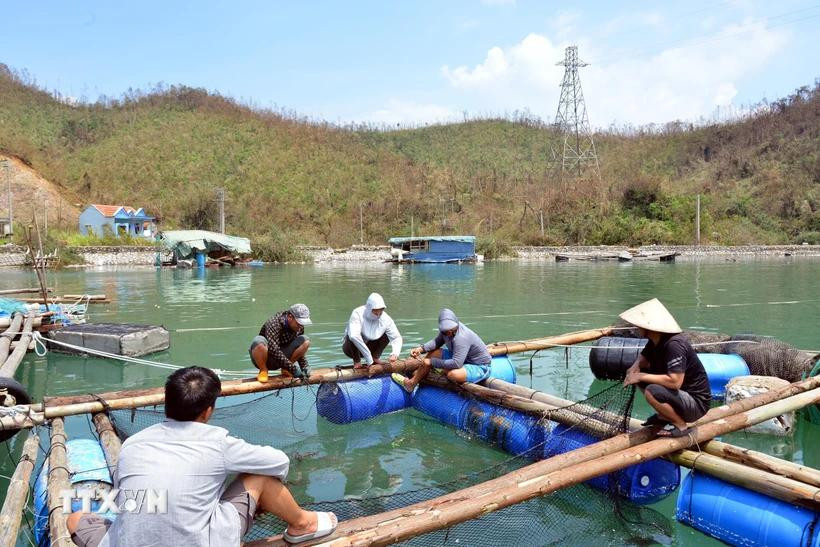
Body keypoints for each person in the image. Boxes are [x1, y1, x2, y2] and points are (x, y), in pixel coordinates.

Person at [66, 366, 337, 547]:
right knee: (260, 478)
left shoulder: (132, 444)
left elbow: (125, 495)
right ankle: (304, 523)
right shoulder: (217, 442)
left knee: (75, 519)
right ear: (208, 411)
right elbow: (279, 461)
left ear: (167, 404)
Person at [620, 298, 711, 438]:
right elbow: (642, 358)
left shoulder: (674, 345)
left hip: (696, 403)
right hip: (679, 396)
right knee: (640, 377)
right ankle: (664, 416)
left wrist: (640, 376)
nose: (636, 328)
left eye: (639, 326)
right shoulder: (655, 341)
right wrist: (634, 368)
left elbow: (675, 382)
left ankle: (680, 425)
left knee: (651, 390)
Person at [392, 308, 492, 392]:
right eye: (445, 331)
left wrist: (432, 362)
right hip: (462, 359)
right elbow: (437, 342)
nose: (449, 333)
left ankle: (434, 374)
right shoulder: (446, 331)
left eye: (451, 330)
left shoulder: (461, 337)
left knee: (452, 374)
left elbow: (457, 363)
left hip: (478, 366)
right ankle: (413, 382)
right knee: (434, 353)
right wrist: (421, 349)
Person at [250, 303, 312, 383]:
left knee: (305, 341)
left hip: (284, 361)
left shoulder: (299, 327)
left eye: (302, 324)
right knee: (258, 341)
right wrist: (293, 369)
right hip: (267, 357)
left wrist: (304, 366)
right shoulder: (274, 323)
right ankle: (263, 370)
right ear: (290, 317)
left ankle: (285, 370)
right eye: (298, 323)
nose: (301, 326)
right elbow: (274, 350)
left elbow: (298, 348)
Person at [342, 293, 403, 370]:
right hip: (351, 349)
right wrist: (368, 359)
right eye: (375, 311)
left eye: (380, 311)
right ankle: (357, 362)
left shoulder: (386, 318)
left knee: (387, 334)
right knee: (352, 335)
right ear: (369, 308)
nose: (378, 314)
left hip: (370, 348)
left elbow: (396, 337)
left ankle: (375, 357)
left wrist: (395, 353)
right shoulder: (357, 313)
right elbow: (354, 336)